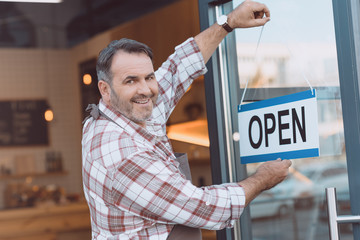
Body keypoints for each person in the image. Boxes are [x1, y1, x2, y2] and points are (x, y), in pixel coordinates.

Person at [82, 0, 292, 239]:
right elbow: (203, 208)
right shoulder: (120, 152)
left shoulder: (126, 111)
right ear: (105, 89)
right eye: (131, 81)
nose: (146, 90)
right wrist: (262, 179)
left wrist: (228, 22)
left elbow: (177, 68)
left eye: (148, 77)